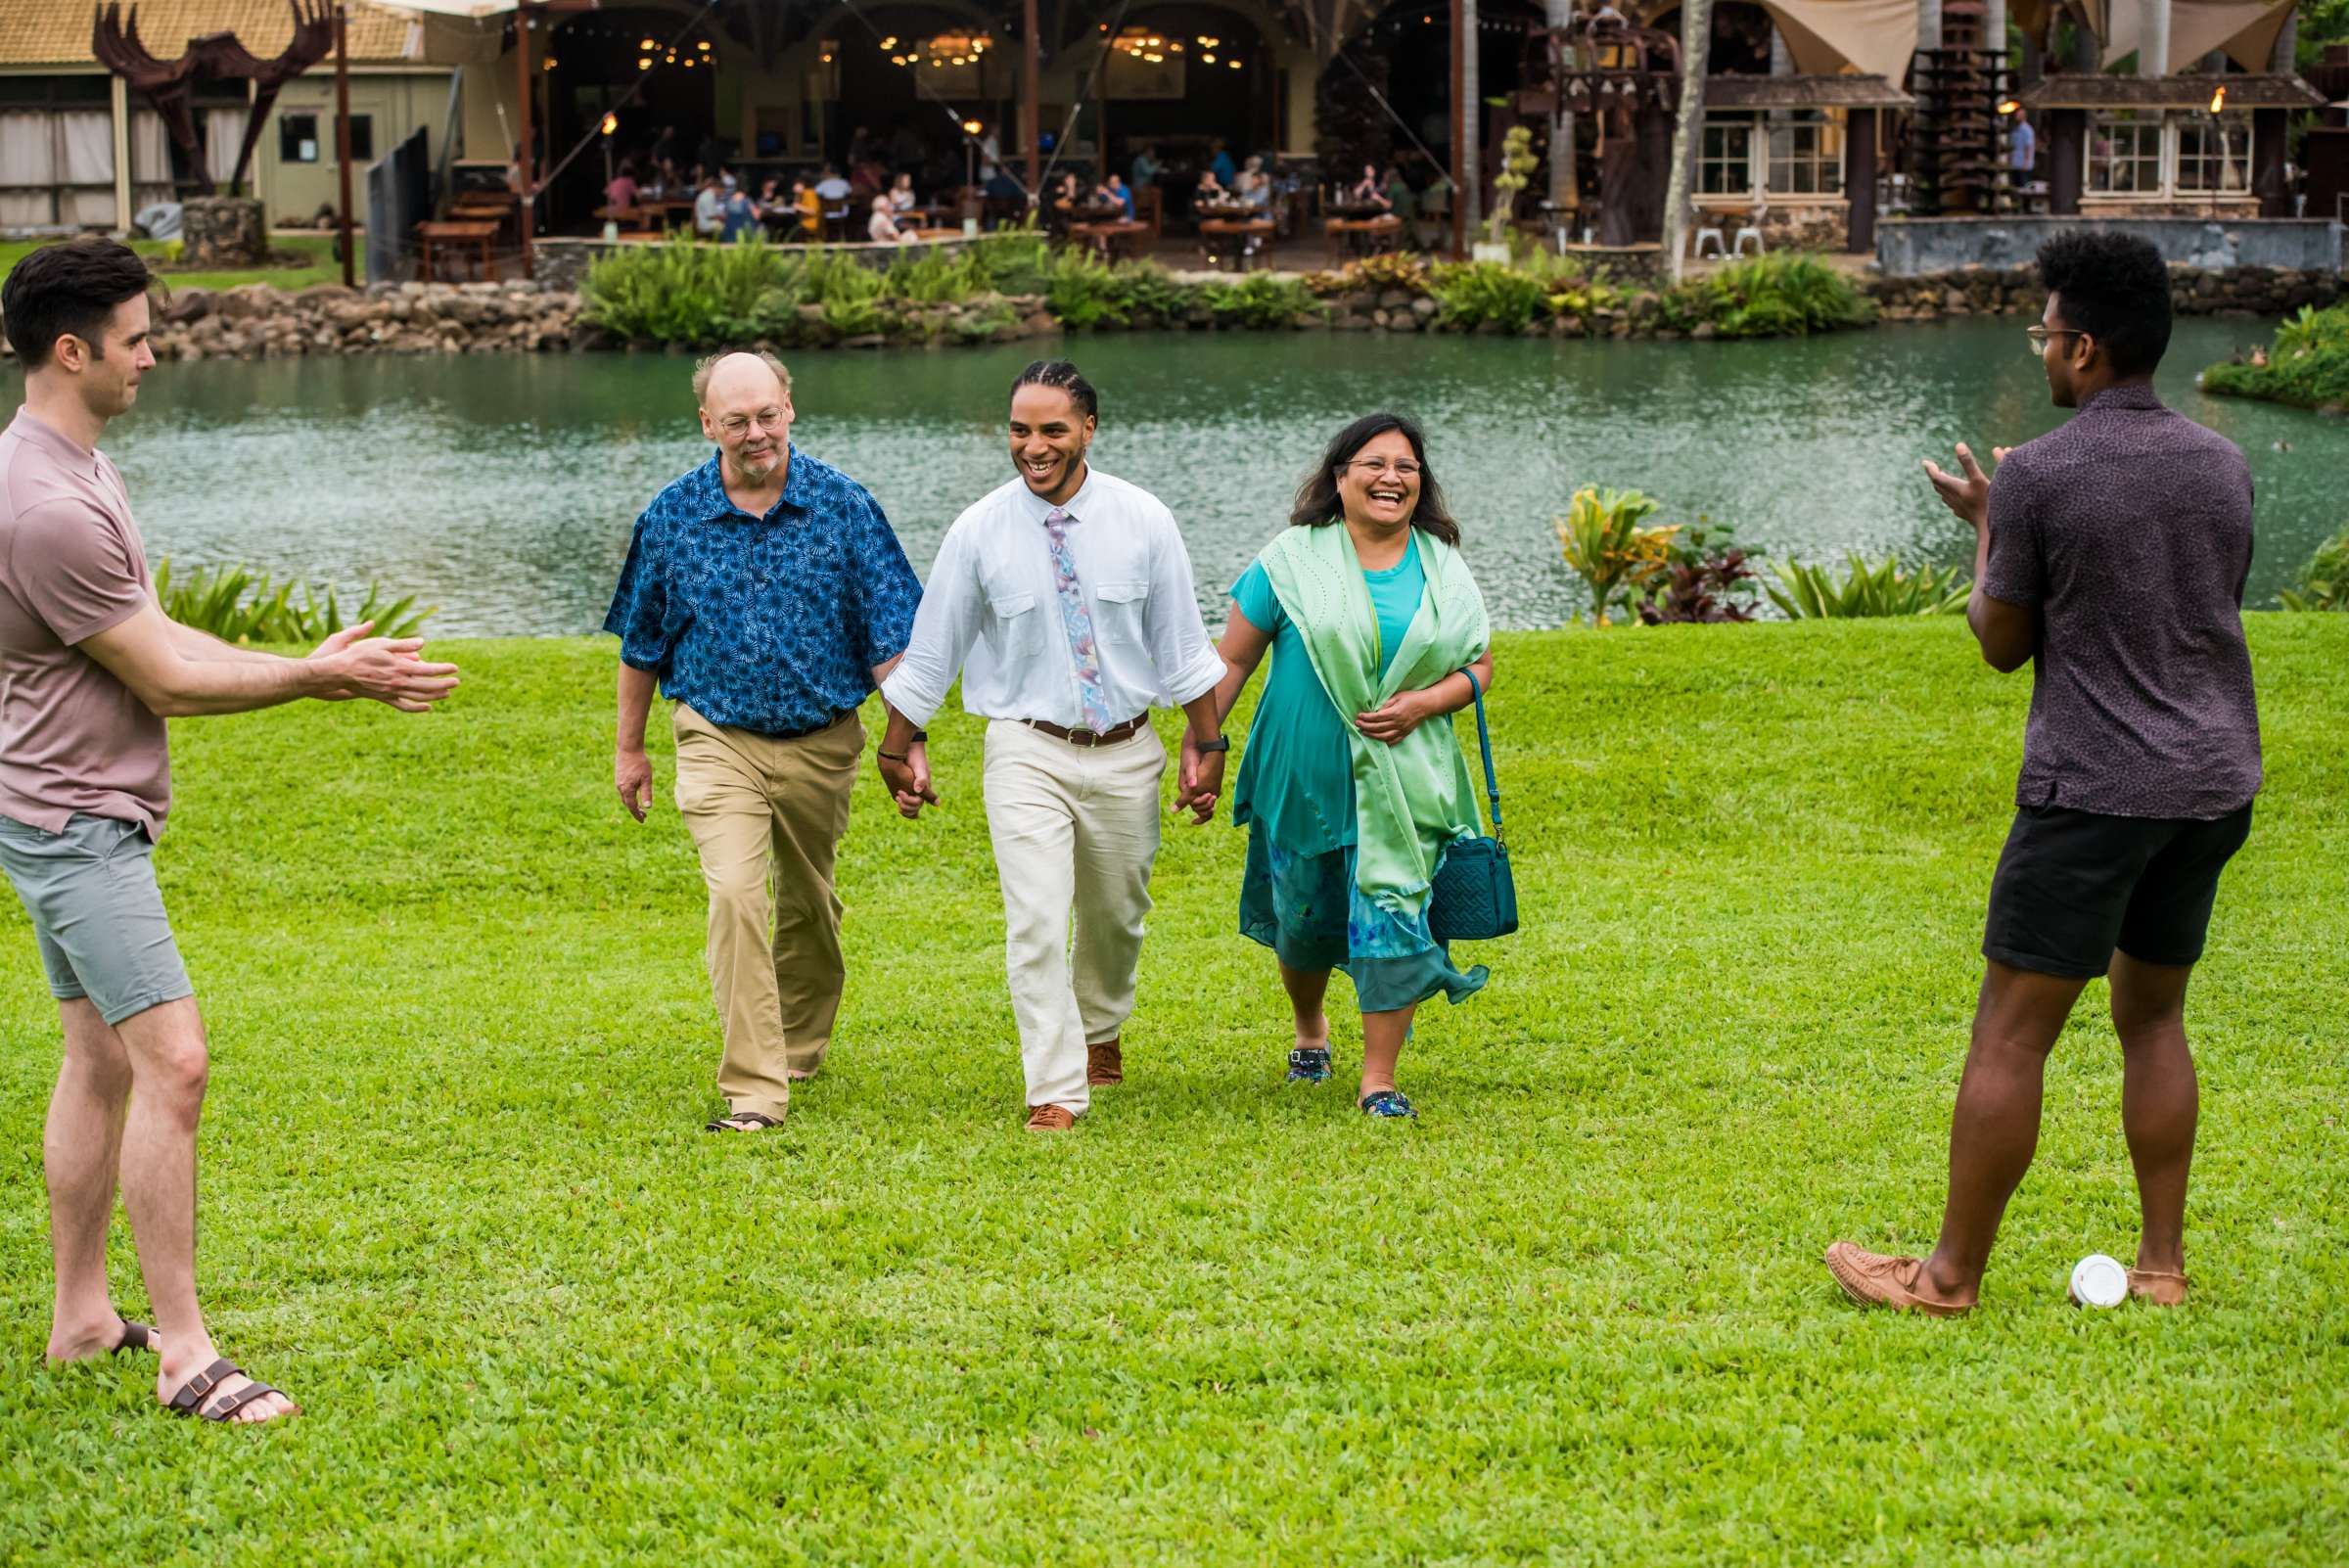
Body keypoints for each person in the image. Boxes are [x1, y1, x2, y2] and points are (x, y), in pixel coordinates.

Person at [0, 239, 460, 1423]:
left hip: (53, 812)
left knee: (100, 1057)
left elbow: (151, 631)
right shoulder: (47, 505)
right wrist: (318, 680)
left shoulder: (68, 466)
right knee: (174, 1063)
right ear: (72, 349)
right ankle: (187, 1354)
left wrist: (311, 662)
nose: (153, 354)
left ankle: (83, 1319)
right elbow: (166, 680)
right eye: (137, 337)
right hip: (78, 826)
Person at [1825, 233, 2262, 1314]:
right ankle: (2160, 1269)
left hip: (2093, 793)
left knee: (2011, 1032)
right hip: (2210, 786)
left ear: (2082, 347)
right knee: (2153, 1020)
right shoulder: (2225, 463)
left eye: (2047, 334)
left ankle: (1945, 1278)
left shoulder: (2043, 473)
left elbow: (2001, 639)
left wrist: (1987, 527)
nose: (2043, 351)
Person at [874, 362, 1228, 1131]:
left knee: (1116, 915)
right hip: (1025, 749)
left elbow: (1183, 647)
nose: (1033, 447)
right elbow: (932, 651)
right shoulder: (978, 531)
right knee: (1035, 919)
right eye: (1020, 431)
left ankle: (1100, 1025)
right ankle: (1056, 1088)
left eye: (1052, 431)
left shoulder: (1144, 520)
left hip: (1128, 750)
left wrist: (1210, 745)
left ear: (1089, 430)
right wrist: (897, 747)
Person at [606, 350, 922, 1132]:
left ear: (790, 408)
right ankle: (754, 1092)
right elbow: (641, 644)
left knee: (808, 905)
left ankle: (798, 1048)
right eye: (737, 420)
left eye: (767, 414)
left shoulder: (845, 507)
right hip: (717, 737)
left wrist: (906, 739)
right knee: (737, 895)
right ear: (707, 424)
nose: (756, 433)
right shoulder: (671, 517)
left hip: (824, 742)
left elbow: (889, 639)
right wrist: (629, 748)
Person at [1204, 415, 1494, 1121]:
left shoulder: (1442, 566)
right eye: (1373, 463)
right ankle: (1310, 1029)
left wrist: (1424, 702)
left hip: (1405, 782)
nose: (1390, 477)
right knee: (1302, 923)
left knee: (1390, 918)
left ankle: (1379, 1081)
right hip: (1304, 777)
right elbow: (1234, 659)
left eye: (1406, 466)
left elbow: (1478, 666)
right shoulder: (1289, 560)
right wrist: (1202, 743)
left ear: (1420, 485)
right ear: (1339, 478)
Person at [692, 170, 725, 238]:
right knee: (726, 227)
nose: (721, 194)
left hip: (704, 222)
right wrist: (723, 217)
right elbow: (710, 216)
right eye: (721, 192)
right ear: (717, 189)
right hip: (705, 225)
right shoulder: (709, 196)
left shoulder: (707, 194)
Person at [2008, 106, 2037, 180]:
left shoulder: (2027, 129)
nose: (2016, 116)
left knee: (2023, 186)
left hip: (2024, 165)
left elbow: (2029, 146)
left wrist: (2026, 163)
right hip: (2015, 163)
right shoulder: (2015, 129)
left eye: (2018, 115)